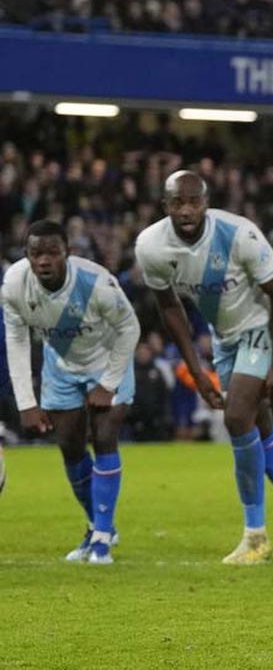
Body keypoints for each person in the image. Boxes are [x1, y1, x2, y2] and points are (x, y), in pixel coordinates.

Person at [136, 171, 273, 565]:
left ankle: (255, 535)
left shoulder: (240, 234)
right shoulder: (152, 247)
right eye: (177, 203)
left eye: (193, 201)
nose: (186, 210)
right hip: (224, 330)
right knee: (261, 423)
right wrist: (197, 369)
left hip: (266, 318)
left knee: (238, 418)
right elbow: (169, 308)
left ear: (206, 202)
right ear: (165, 205)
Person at [2, 219, 140, 564]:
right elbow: (16, 340)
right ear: (27, 255)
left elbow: (129, 327)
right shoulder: (14, 285)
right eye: (36, 254)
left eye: (52, 252)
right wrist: (27, 403)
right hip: (61, 366)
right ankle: (97, 524)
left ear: (68, 253)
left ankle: (103, 542)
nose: (44, 261)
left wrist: (108, 385)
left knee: (105, 435)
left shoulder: (97, 283)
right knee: (69, 446)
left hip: (108, 359)